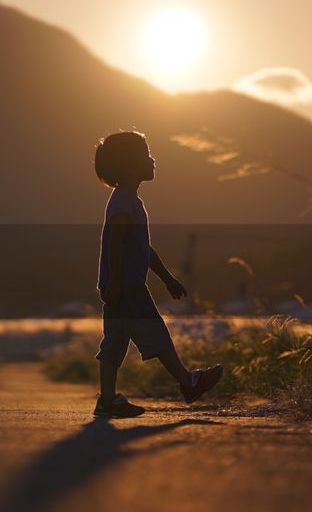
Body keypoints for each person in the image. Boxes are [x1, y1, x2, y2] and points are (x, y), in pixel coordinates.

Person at [92, 129, 222, 417]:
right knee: (155, 333)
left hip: (121, 286)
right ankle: (188, 381)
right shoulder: (125, 203)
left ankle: (108, 399)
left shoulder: (127, 200)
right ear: (129, 166)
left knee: (115, 342)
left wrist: (167, 278)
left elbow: (143, 249)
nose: (152, 160)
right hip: (126, 287)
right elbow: (115, 244)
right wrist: (115, 282)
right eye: (146, 156)